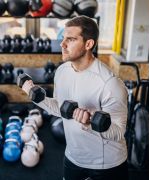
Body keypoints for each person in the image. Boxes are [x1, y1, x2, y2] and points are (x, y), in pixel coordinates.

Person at [21, 15, 128, 180]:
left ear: (88, 44)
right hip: (73, 157)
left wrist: (90, 122)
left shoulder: (110, 83)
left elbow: (119, 132)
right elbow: (61, 109)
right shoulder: (62, 72)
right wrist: (35, 95)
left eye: (70, 39)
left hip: (107, 164)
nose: (62, 44)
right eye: (63, 38)